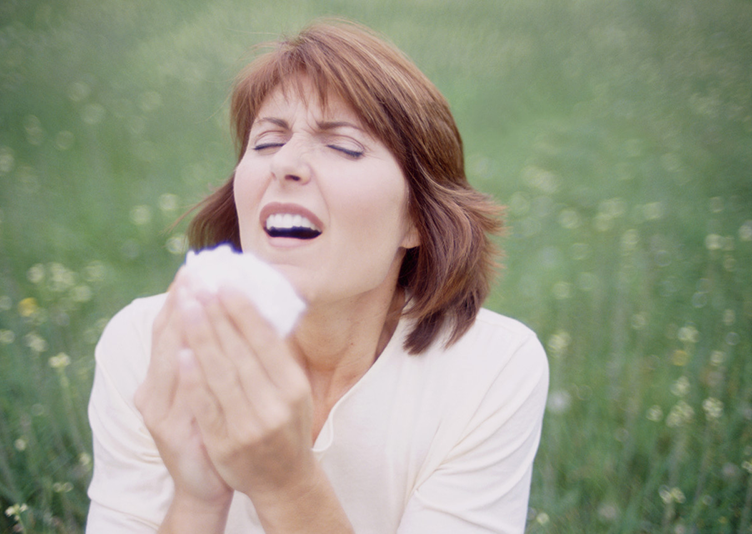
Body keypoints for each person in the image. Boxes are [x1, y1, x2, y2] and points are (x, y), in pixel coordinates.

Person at [85, 19, 548, 534]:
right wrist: (196, 500)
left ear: (417, 220)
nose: (285, 162)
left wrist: (286, 484)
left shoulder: (491, 368)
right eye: (265, 142)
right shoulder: (146, 346)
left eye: (344, 146)